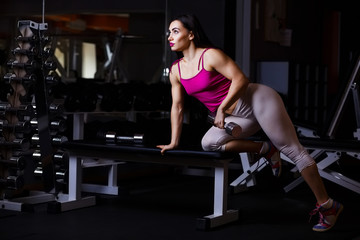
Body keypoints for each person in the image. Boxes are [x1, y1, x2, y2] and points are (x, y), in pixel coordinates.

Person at [156, 14, 343, 232]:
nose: (170, 36)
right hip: (235, 118)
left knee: (293, 151)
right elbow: (177, 107)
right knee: (209, 143)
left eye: (175, 31)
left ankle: (327, 205)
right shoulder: (176, 70)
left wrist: (222, 109)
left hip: (258, 101)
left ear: (191, 35)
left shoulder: (210, 56)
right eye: (169, 32)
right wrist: (173, 142)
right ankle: (264, 148)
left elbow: (241, 79)